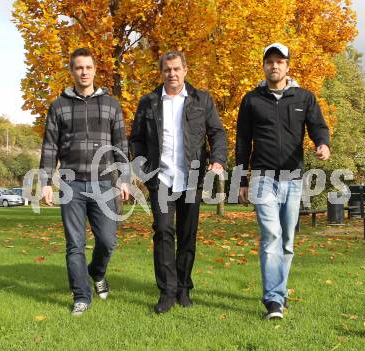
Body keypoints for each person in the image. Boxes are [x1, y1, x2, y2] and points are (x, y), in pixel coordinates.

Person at [236, 43, 330, 320]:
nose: (274, 66)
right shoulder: (251, 100)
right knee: (271, 236)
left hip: (293, 178)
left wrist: (322, 144)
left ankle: (280, 290)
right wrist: (241, 180)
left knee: (287, 240)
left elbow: (318, 126)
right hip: (262, 177)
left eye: (279, 61)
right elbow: (242, 142)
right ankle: (274, 301)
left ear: (288, 66)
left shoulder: (304, 98)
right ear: (263, 66)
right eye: (269, 62)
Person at [130, 51, 227, 314]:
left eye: (176, 69)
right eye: (167, 70)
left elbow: (217, 132)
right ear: (161, 73)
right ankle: (167, 291)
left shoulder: (201, 100)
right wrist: (141, 166)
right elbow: (136, 138)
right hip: (160, 178)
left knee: (187, 234)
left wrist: (218, 159)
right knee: (162, 231)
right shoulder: (148, 101)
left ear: (185, 70)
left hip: (191, 177)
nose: (171, 74)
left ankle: (183, 287)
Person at [40, 48, 130, 316]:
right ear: (72, 71)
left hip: (104, 184)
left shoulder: (111, 105)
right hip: (71, 185)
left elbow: (120, 145)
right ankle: (81, 295)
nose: (84, 72)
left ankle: (97, 272)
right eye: (79, 68)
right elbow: (49, 148)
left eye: (88, 67)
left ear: (94, 70)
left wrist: (125, 178)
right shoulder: (59, 106)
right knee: (74, 244)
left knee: (108, 241)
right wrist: (45, 182)